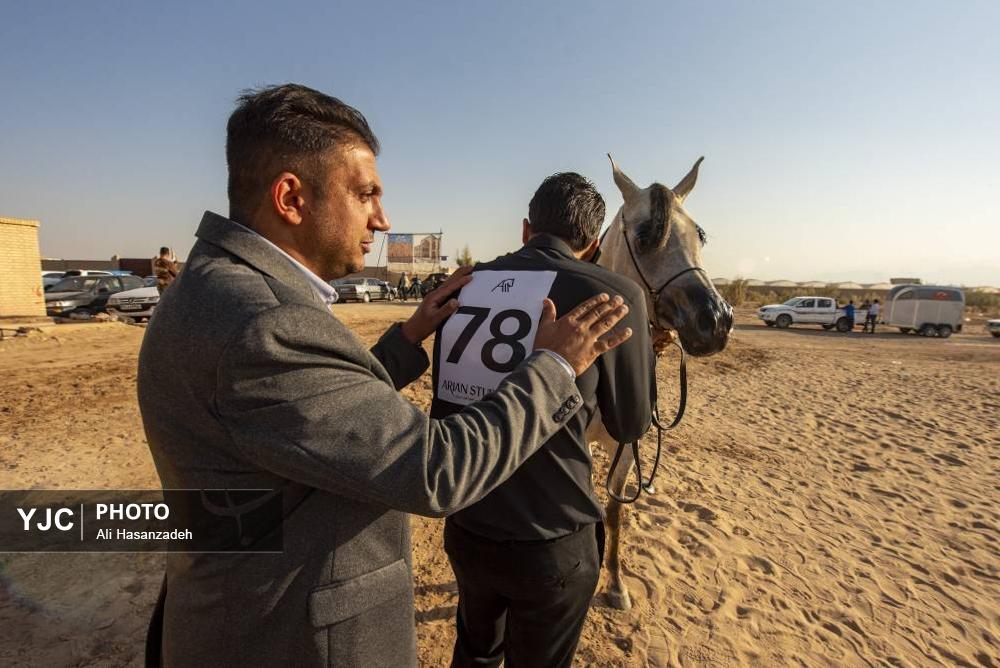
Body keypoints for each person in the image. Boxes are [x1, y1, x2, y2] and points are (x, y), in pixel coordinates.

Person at [137, 84, 634, 667]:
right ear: (292, 197)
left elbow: (315, 412)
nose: (383, 217)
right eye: (366, 192)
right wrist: (554, 365)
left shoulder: (219, 287)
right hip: (287, 637)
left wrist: (407, 339)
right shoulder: (265, 323)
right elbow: (435, 469)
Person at [430, 173, 655, 667]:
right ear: (593, 244)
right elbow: (630, 425)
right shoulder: (614, 295)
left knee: (473, 652)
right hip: (553, 534)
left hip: (467, 520)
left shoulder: (467, 282)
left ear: (526, 229)